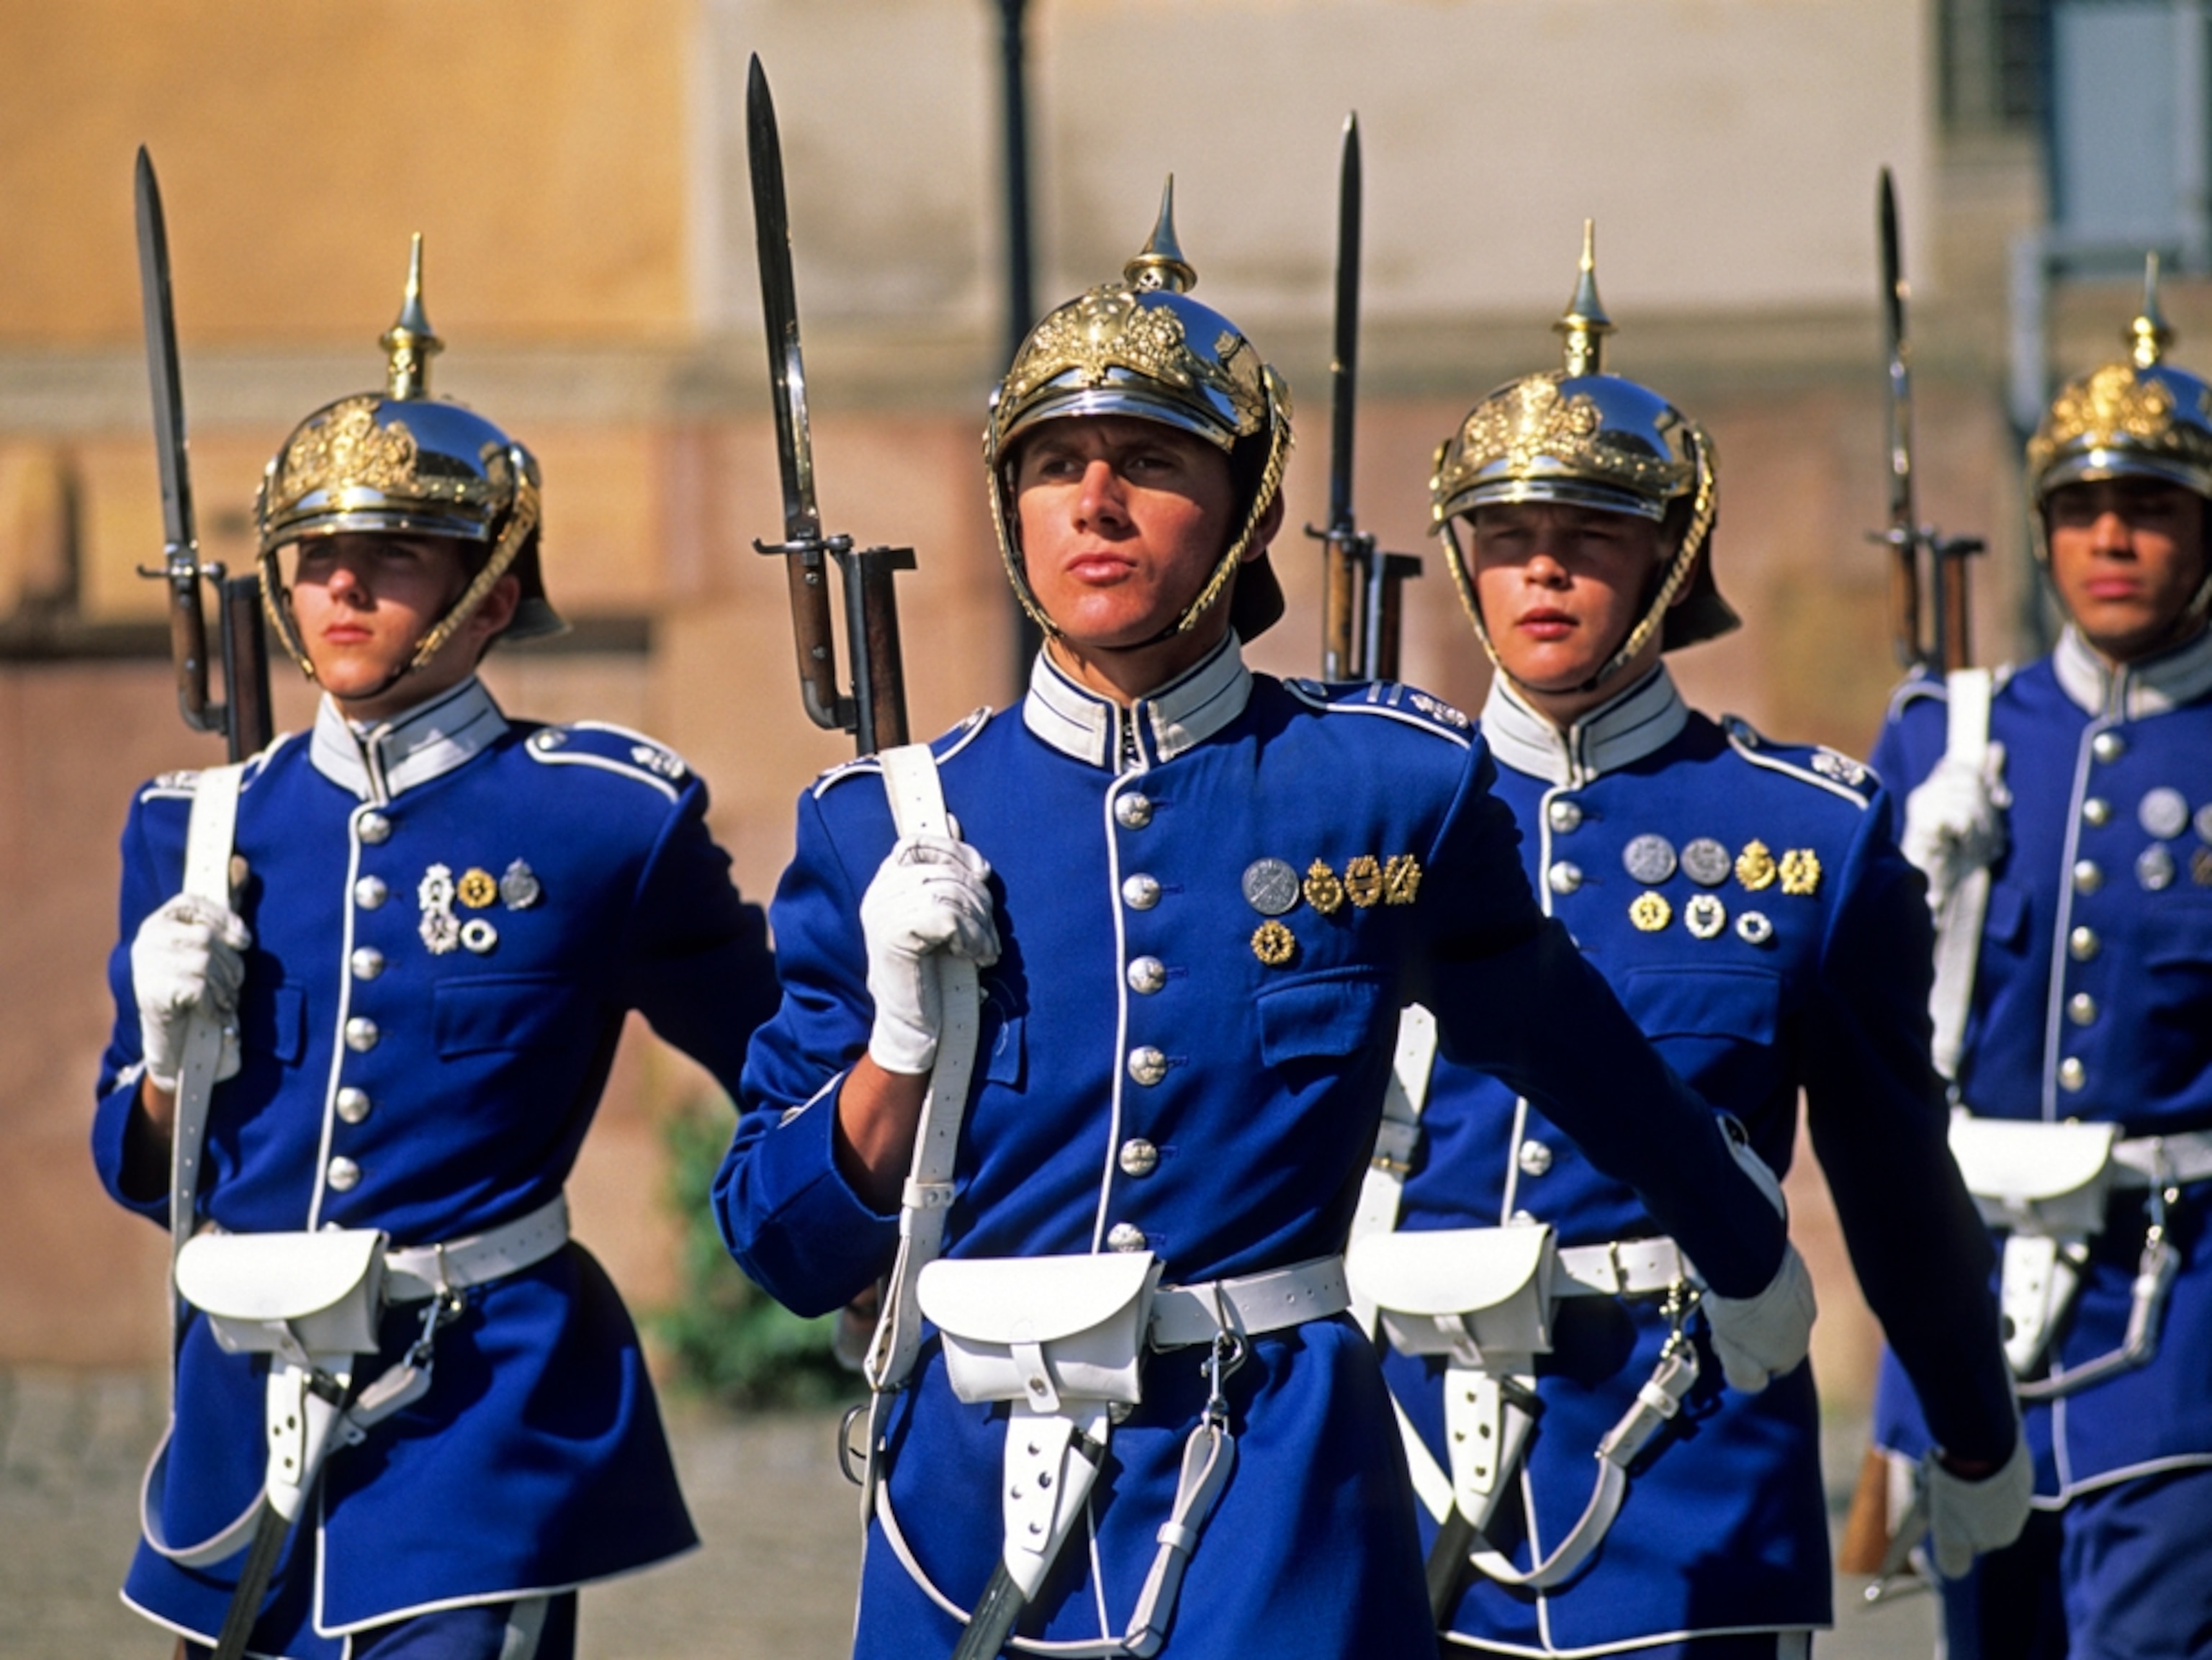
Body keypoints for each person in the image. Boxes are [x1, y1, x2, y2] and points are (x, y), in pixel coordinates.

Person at [715, 186, 1817, 1660]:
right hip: (964, 1506)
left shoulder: (1387, 786)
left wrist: (1744, 1247)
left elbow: (1572, 1046)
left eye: (1150, 461)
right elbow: (779, 1245)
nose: (1095, 502)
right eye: (1053, 465)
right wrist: (902, 1046)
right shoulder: (881, 821)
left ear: (1246, 509)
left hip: (1275, 1500)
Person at [91, 244, 778, 1660]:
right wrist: (165, 1060)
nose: (343, 588)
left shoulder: (605, 820)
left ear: (494, 590)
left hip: (476, 1412)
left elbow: (778, 1057)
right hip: (239, 1419)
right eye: (316, 559)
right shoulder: (194, 827)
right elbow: (141, 1171)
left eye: (394, 555)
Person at [1356, 232, 2029, 1657]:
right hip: (1393, 1465)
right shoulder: (1366, 802)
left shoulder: (1808, 832)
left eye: (1593, 534)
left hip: (1681, 1474)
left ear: (1670, 557)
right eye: (1507, 537)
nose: (1544, 570)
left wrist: (1972, 1429)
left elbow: (1895, 1182)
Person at [1868, 266, 2212, 1659]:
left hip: (2178, 1313)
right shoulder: (1946, 737)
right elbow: (1874, 1061)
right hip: (1976, 1317)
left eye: (2151, 508)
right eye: (2080, 510)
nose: (2111, 537)